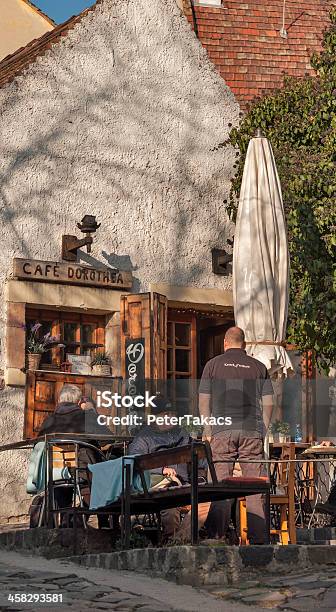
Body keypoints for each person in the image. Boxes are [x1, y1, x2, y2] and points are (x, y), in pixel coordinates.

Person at [199, 326, 274, 544]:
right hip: (251, 430)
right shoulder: (259, 367)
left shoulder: (212, 365)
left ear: (225, 343)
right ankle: (260, 542)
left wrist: (207, 428)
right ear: (245, 344)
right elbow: (269, 402)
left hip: (222, 430)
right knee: (255, 485)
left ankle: (216, 538)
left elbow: (204, 399)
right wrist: (264, 429)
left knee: (221, 485)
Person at [128, 396, 211, 542]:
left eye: (173, 414)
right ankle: (173, 542)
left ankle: (178, 541)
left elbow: (201, 460)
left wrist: (211, 470)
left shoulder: (182, 434)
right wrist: (161, 471)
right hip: (159, 487)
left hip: (185, 486)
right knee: (171, 507)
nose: (171, 418)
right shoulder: (144, 437)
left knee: (208, 501)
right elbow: (135, 461)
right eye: (166, 414)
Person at [38, 384, 112, 524]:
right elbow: (109, 440)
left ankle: (65, 520)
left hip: (57, 472)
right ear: (79, 402)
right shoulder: (87, 417)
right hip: (85, 472)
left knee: (63, 484)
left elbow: (39, 444)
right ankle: (103, 523)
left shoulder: (49, 420)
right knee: (107, 473)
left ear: (59, 401)